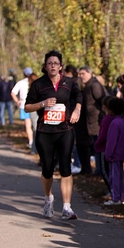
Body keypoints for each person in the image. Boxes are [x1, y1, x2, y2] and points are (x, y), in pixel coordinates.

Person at [24, 50, 82, 220]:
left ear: (61, 66)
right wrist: (42, 103)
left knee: (66, 167)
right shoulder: (38, 84)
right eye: (49, 63)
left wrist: (77, 110)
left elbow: (79, 96)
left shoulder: (69, 83)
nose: (53, 66)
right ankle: (48, 198)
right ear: (45, 66)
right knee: (47, 169)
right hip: (45, 132)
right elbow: (27, 107)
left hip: (65, 130)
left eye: (56, 63)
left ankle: (67, 207)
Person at [78, 65, 109, 176]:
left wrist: (104, 116)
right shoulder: (88, 85)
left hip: (97, 122)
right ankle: (97, 170)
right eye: (80, 74)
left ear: (90, 73)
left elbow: (104, 100)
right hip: (90, 123)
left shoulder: (94, 85)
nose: (81, 76)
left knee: (98, 147)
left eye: (83, 74)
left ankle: (100, 170)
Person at [102, 97, 124, 205]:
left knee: (114, 177)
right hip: (121, 153)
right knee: (120, 177)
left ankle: (115, 198)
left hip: (114, 155)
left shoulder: (114, 123)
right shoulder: (121, 121)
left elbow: (111, 141)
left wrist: (108, 153)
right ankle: (121, 197)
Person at [11, 67, 35, 149]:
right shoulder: (37, 81)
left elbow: (13, 93)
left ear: (24, 74)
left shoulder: (20, 83)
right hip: (36, 106)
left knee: (28, 126)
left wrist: (17, 101)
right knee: (36, 125)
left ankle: (31, 142)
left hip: (24, 106)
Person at [64, 64, 81, 173]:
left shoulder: (72, 84)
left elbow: (77, 98)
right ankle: (74, 163)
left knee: (74, 142)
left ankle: (77, 163)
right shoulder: (74, 82)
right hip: (71, 113)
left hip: (72, 115)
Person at [28, 73, 39, 155]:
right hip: (38, 110)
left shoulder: (33, 88)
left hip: (34, 110)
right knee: (37, 129)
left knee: (36, 129)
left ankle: (34, 148)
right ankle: (35, 148)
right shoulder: (40, 86)